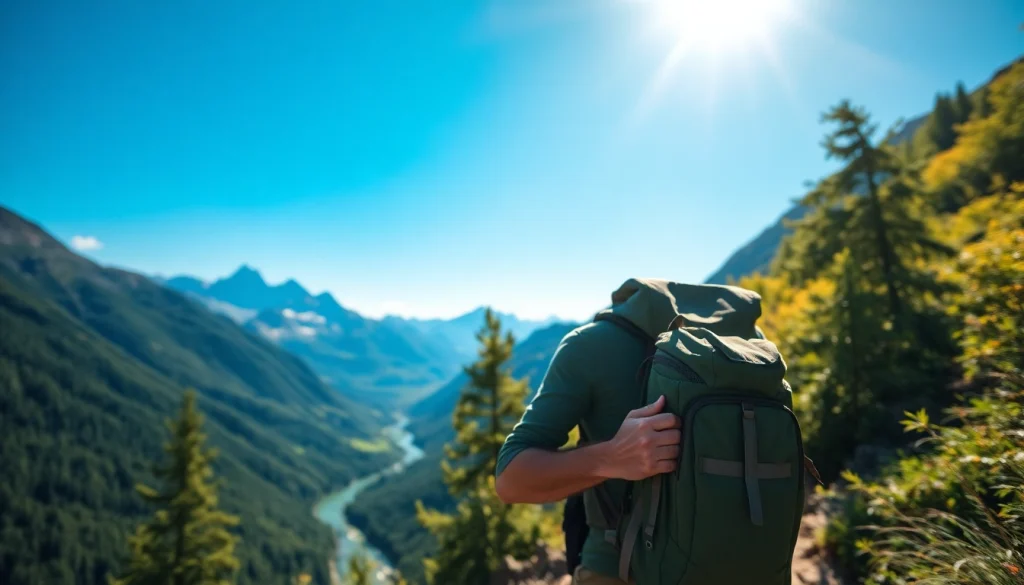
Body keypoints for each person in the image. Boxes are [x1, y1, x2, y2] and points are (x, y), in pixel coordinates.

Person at [494, 281, 687, 585]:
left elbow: (510, 480)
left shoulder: (590, 345)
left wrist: (610, 458)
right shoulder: (746, 350)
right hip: (736, 562)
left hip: (618, 567)